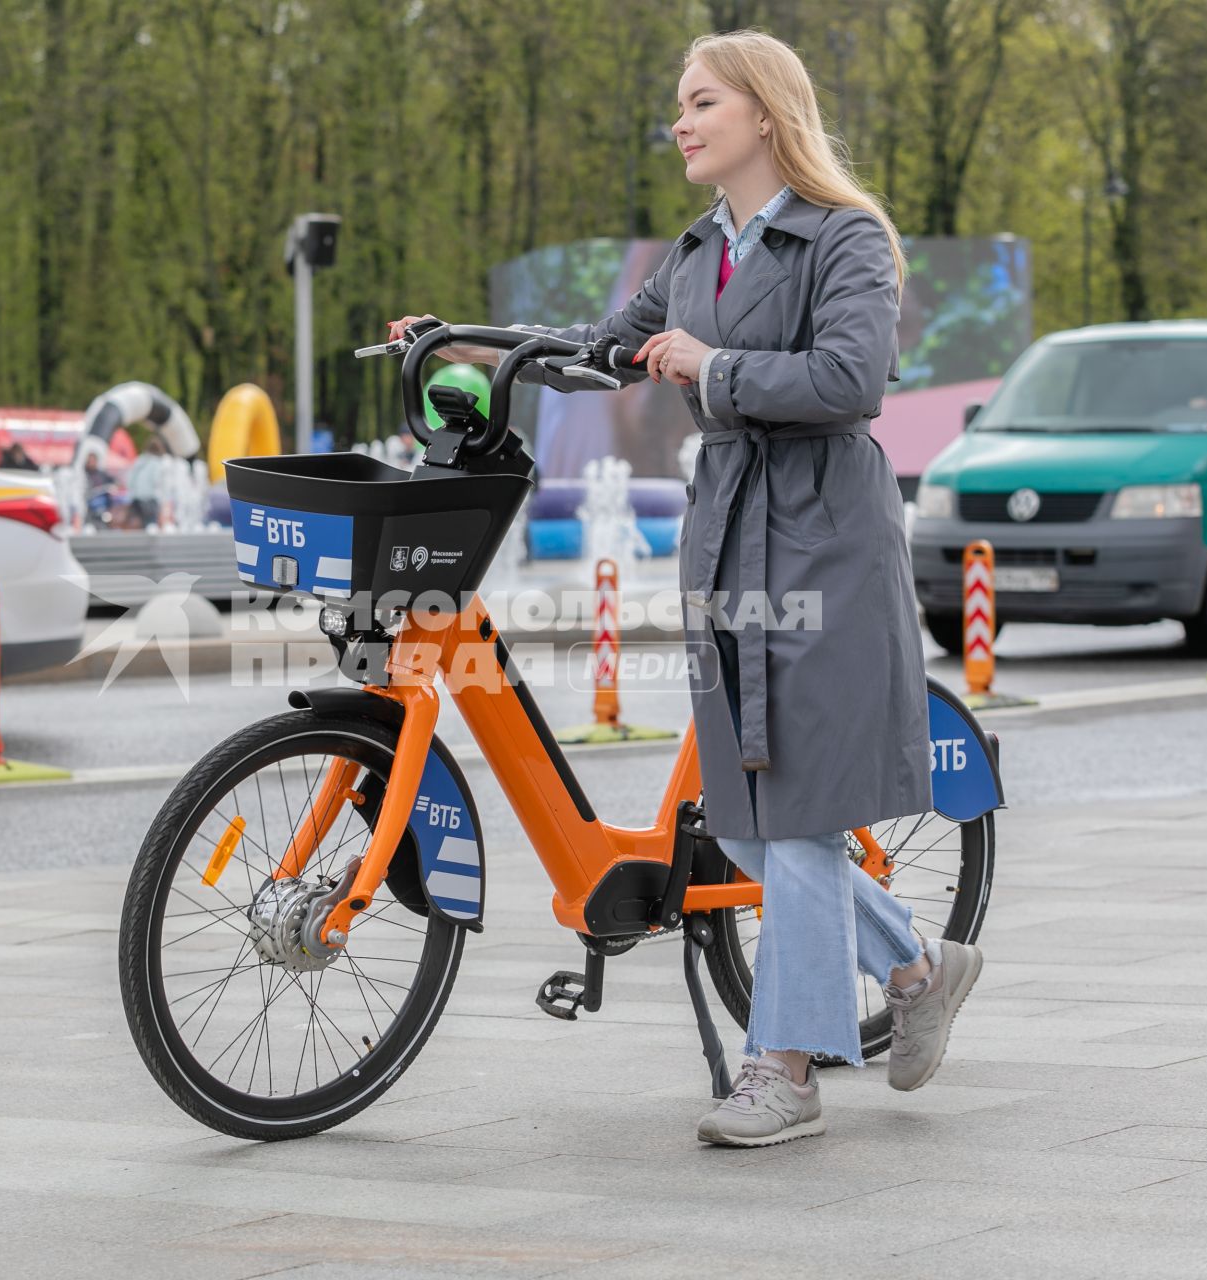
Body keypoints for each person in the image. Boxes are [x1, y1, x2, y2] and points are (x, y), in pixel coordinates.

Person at [390, 29, 980, 1149]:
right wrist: (458, 342)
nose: (681, 119)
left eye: (701, 101)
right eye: (679, 103)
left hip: (822, 539)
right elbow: (600, 350)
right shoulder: (699, 248)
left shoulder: (844, 238)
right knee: (753, 824)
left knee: (795, 812)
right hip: (727, 538)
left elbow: (853, 379)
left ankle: (785, 1067)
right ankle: (915, 965)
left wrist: (712, 368)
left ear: (764, 112)